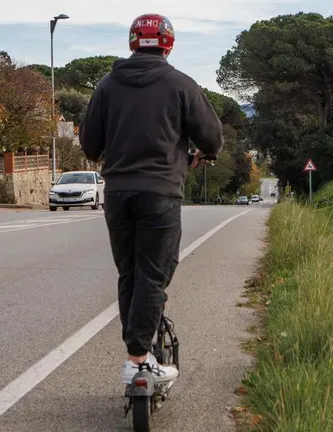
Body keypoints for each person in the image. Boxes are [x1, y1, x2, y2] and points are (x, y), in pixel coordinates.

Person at [79, 13, 223, 385]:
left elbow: (90, 145)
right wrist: (203, 152)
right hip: (160, 191)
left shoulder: (107, 86)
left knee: (130, 273)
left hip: (119, 193)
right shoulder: (180, 85)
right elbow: (211, 136)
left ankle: (137, 346)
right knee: (153, 274)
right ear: (167, 44)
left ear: (131, 43)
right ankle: (138, 359)